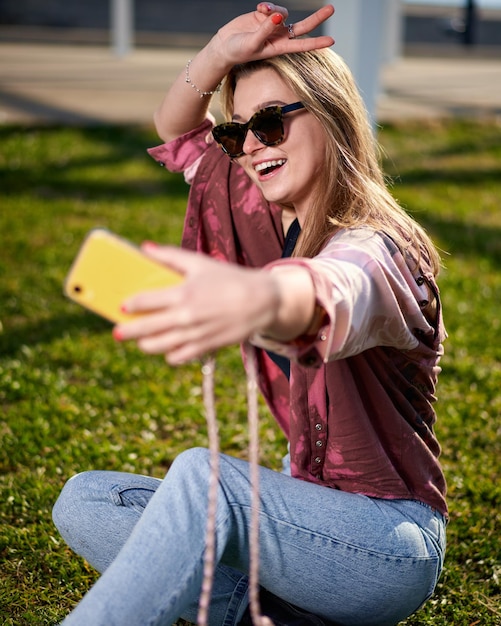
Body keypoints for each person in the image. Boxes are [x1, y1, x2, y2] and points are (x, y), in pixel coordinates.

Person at [52, 3, 448, 625]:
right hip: (303, 527)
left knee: (203, 480)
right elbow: (179, 131)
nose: (253, 146)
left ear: (333, 116)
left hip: (385, 546)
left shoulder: (381, 247)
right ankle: (281, 619)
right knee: (87, 501)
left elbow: (329, 291)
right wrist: (218, 55)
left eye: (272, 122)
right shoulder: (254, 201)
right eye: (238, 133)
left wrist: (256, 299)